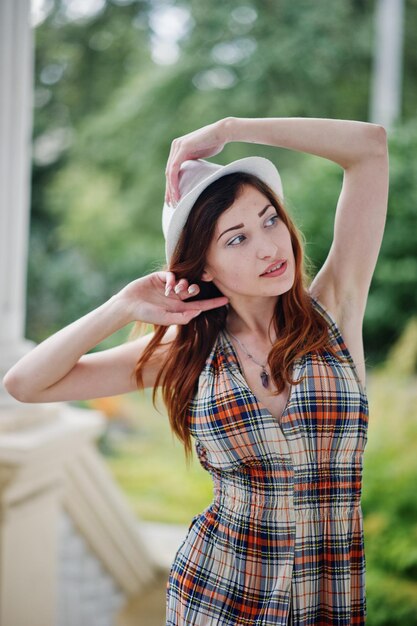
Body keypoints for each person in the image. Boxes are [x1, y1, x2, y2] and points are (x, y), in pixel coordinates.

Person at [3, 116, 389, 625]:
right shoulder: (186, 353)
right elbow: (24, 384)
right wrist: (120, 307)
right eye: (237, 238)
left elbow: (370, 148)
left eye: (270, 219)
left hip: (328, 597)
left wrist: (232, 128)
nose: (269, 247)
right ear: (203, 267)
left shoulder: (334, 312)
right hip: (219, 597)